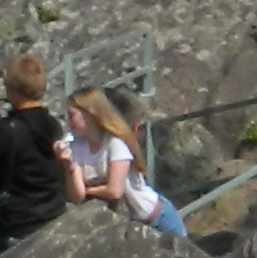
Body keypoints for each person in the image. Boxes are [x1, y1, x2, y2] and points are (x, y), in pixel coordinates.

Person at [0, 54, 72, 254]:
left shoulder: (9, 130)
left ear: (11, 89)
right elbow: (25, 139)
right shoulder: (51, 124)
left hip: (20, 225)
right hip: (51, 214)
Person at [66, 88, 184, 236]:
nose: (68, 122)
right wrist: (69, 167)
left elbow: (114, 191)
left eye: (72, 116)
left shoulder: (114, 143)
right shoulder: (77, 148)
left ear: (90, 114)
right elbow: (77, 196)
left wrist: (88, 191)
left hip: (158, 220)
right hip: (131, 225)